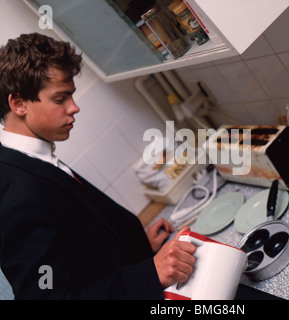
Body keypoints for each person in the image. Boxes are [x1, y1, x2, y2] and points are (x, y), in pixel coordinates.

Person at [0, 32, 196, 299]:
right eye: (60, 99)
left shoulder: (31, 158)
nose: (74, 107)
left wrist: (136, 249)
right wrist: (149, 272)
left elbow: (76, 248)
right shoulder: (15, 195)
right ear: (19, 103)